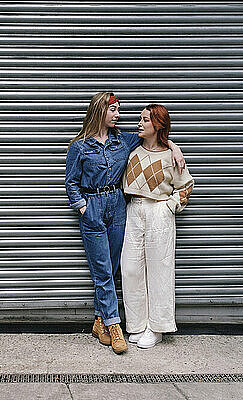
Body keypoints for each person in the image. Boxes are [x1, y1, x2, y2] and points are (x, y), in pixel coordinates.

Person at [64, 93, 184, 354]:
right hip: (93, 206)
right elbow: (71, 183)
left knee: (115, 269)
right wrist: (83, 207)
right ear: (99, 112)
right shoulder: (80, 146)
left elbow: (155, 139)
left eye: (118, 110)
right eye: (114, 110)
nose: (118, 115)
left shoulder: (123, 140)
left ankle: (99, 321)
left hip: (118, 207)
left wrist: (174, 147)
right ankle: (114, 323)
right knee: (103, 270)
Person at [120, 104, 194, 349]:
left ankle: (157, 327)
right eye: (140, 119)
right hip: (133, 209)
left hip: (158, 212)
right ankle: (137, 324)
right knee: (130, 269)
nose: (139, 124)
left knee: (159, 270)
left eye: (145, 120)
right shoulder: (132, 149)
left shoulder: (170, 157)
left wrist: (170, 206)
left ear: (157, 125)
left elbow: (186, 186)